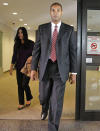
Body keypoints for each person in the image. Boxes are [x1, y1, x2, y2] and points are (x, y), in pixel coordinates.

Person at [31, 2, 77, 131]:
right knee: (43, 96)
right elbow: (36, 50)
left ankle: (53, 127)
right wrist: (33, 68)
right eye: (53, 10)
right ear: (50, 12)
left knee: (56, 101)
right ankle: (44, 107)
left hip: (60, 70)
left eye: (58, 10)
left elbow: (73, 51)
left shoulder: (69, 29)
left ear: (61, 12)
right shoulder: (42, 28)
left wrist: (74, 73)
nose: (55, 12)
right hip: (45, 68)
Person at [10, 27, 34, 110]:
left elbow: (36, 54)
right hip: (19, 67)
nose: (20, 34)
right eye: (18, 33)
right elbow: (14, 56)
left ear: (25, 33)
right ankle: (21, 103)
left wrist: (32, 57)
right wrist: (11, 66)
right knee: (19, 85)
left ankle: (29, 97)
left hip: (28, 68)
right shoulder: (17, 44)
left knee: (24, 84)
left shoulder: (31, 43)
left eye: (21, 32)